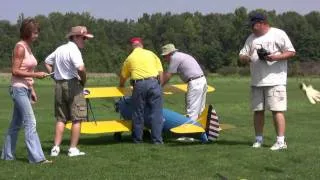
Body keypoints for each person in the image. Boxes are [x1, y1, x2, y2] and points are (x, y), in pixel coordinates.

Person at [239, 13, 296, 150]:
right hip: (256, 81)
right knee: (258, 111)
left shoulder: (278, 34)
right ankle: (258, 139)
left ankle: (281, 141)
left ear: (262, 23)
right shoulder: (251, 38)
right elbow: (241, 55)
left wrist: (275, 57)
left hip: (275, 80)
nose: (252, 29)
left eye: (253, 25)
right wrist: (246, 58)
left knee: (277, 110)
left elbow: (291, 52)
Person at [1, 18, 51, 164]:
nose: (37, 35)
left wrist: (32, 88)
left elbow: (26, 69)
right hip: (18, 89)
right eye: (35, 32)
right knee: (31, 122)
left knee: (16, 124)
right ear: (28, 32)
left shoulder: (28, 47)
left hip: (25, 88)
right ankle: (37, 159)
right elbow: (15, 71)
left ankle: (7, 156)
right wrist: (36, 75)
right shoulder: (20, 47)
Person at [44, 26, 93, 156]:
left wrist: (54, 77)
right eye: (83, 38)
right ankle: (72, 149)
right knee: (77, 118)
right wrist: (83, 81)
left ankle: (55, 148)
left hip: (59, 85)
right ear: (75, 37)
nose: (85, 41)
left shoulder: (60, 48)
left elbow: (47, 62)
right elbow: (81, 68)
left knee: (61, 118)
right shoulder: (74, 50)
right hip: (73, 85)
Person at [119, 37, 164, 144]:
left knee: (138, 112)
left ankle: (138, 139)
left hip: (139, 85)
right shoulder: (152, 54)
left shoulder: (129, 58)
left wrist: (121, 86)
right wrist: (159, 85)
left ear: (132, 46)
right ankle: (157, 140)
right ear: (141, 45)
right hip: (154, 83)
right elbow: (161, 73)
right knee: (156, 113)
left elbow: (123, 76)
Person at [161, 43, 208, 121]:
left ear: (169, 54)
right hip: (202, 80)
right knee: (200, 110)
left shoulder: (174, 58)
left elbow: (168, 75)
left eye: (164, 56)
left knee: (191, 111)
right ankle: (201, 130)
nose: (165, 59)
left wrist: (160, 86)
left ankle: (190, 132)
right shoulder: (182, 55)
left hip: (195, 82)